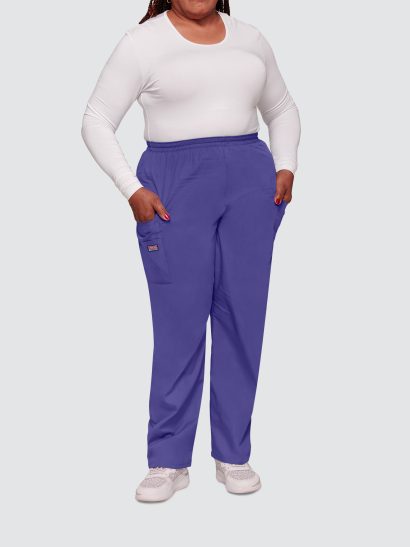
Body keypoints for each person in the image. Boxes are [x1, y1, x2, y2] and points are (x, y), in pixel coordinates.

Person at [81, 0, 301, 502]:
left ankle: (233, 454)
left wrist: (285, 163)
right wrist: (130, 187)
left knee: (243, 318)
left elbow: (282, 107)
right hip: (174, 182)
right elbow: (95, 119)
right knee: (179, 321)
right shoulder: (142, 43)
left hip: (250, 182)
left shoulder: (250, 37)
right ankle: (168, 460)